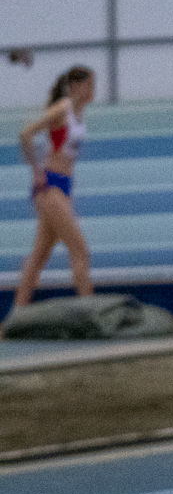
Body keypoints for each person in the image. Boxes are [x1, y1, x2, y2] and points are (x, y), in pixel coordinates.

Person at [14, 65, 94, 314]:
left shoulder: (79, 113)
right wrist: (36, 171)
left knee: (39, 256)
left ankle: (17, 313)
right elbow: (26, 134)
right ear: (75, 87)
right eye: (89, 84)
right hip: (50, 186)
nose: (93, 90)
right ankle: (90, 312)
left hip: (63, 187)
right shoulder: (63, 109)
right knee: (80, 250)